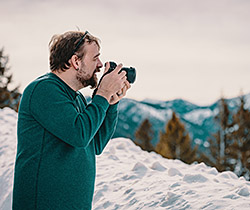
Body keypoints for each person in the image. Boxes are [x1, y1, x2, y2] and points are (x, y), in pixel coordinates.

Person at [12, 30, 131, 210]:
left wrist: (111, 103)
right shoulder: (43, 90)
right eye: (95, 58)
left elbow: (95, 144)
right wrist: (103, 94)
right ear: (76, 61)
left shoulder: (76, 98)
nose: (100, 65)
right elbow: (79, 135)